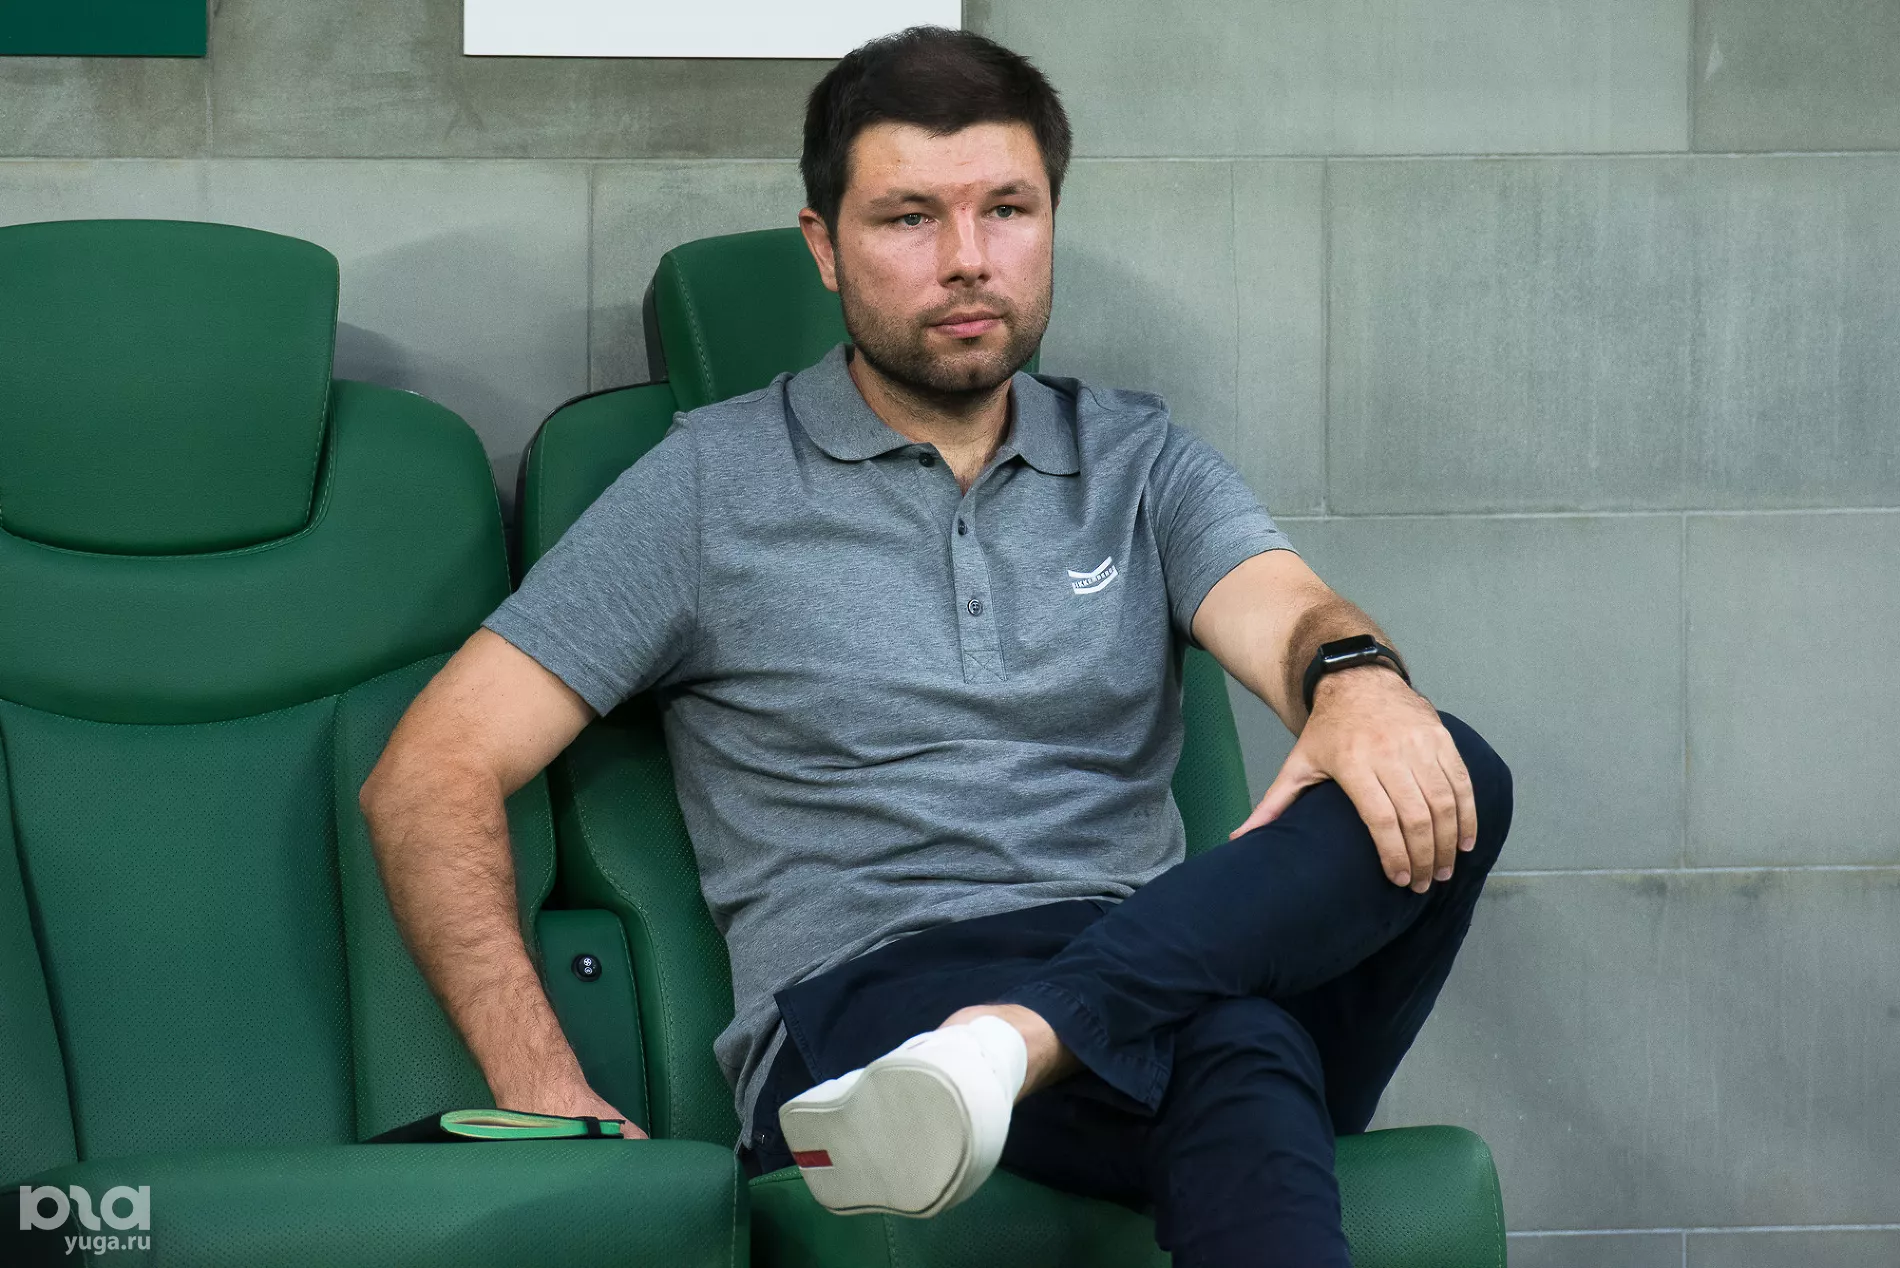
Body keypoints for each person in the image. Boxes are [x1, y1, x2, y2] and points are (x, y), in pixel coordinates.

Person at [360, 26, 1512, 1268]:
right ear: (824, 246)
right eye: (910, 218)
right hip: (870, 1021)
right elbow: (430, 768)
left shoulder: (1137, 459)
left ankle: (1011, 1039)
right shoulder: (707, 486)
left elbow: (1292, 615)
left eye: (1005, 209)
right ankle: (1002, 1043)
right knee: (1238, 1040)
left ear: (1050, 221)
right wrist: (540, 1081)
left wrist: (1355, 683)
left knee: (1449, 765)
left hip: (1146, 969)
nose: (968, 259)